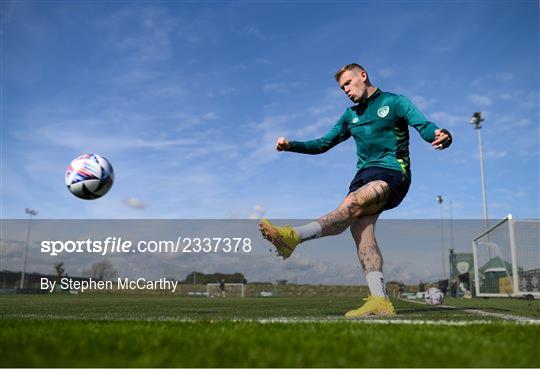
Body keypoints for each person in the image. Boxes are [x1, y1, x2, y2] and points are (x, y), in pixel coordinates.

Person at [259, 63, 452, 318]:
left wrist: (440, 134)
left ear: (363, 75)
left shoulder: (395, 102)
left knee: (352, 204)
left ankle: (293, 236)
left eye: (349, 83)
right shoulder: (350, 116)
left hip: (392, 173)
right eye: (342, 88)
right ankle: (380, 301)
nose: (346, 90)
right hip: (362, 176)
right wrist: (290, 145)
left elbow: (423, 125)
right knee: (360, 232)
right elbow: (323, 143)